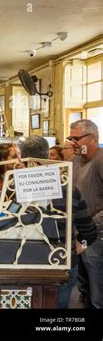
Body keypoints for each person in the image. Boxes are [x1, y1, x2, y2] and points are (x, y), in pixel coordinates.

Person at [20, 135, 97, 308]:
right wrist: (71, 251)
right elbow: (89, 233)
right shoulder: (68, 189)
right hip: (62, 264)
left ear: (22, 158)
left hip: (25, 263)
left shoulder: (14, 188)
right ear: (47, 155)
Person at [68, 119, 103, 309]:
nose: (72, 143)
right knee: (84, 290)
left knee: (98, 293)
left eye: (76, 138)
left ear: (93, 138)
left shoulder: (101, 160)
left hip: (97, 236)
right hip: (78, 233)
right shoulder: (74, 161)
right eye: (70, 138)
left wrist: (89, 225)